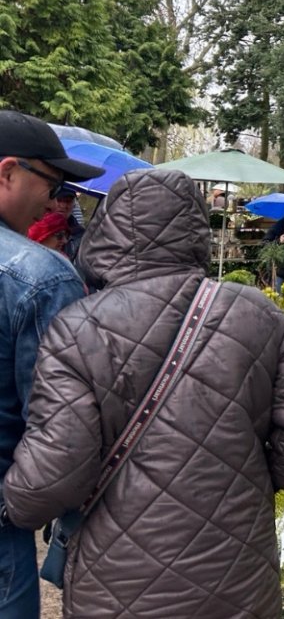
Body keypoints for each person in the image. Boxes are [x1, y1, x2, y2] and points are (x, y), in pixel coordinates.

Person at [3, 168, 284, 617]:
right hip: (239, 574)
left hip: (120, 580)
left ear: (109, 230)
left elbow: (57, 469)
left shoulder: (77, 330)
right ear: (195, 229)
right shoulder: (260, 315)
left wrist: (12, 503)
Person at [0, 109, 103, 615]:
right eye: (55, 183)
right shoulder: (40, 277)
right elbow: (61, 427)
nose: (60, 200)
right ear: (7, 172)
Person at [50, 187, 86, 259]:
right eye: (59, 200)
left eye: (68, 201)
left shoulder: (80, 234)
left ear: (74, 204)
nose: (63, 206)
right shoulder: (32, 224)